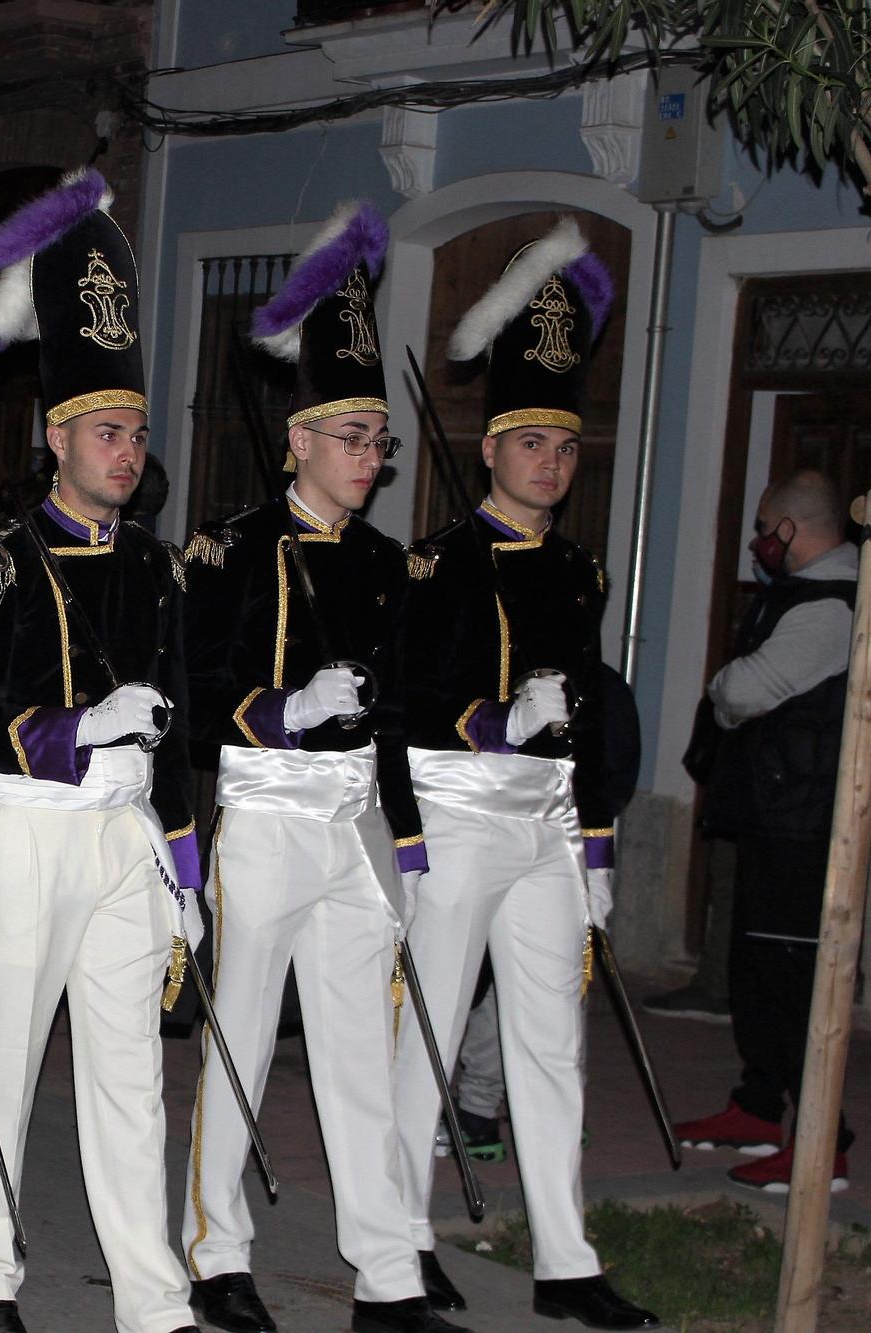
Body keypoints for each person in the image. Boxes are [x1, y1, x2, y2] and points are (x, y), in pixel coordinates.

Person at [180, 202, 461, 1333]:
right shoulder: (230, 547)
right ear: (296, 438)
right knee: (239, 1033)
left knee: (357, 1045)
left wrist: (407, 834)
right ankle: (214, 1249)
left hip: (349, 822)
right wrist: (283, 711)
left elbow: (392, 714)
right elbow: (197, 693)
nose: (370, 457)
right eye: (350, 437)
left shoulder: (393, 563)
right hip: (263, 807)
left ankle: (386, 1271)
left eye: (378, 440)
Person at [0, 167, 203, 1333]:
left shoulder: (153, 563)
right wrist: (66, 729)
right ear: (57, 437)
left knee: (130, 1075)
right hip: (30, 827)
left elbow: (183, 718)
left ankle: (152, 1295)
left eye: (137, 430)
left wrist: (187, 875)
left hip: (127, 836)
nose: (128, 448)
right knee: (4, 1054)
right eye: (107, 429)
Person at [395, 219, 659, 1329]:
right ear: (491, 446)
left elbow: (590, 712)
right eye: (530, 445)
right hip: (456, 813)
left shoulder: (580, 568)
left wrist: (596, 843)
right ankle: (396, 1237)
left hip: (548, 825)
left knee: (550, 1036)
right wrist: (500, 721)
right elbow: (409, 701)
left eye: (565, 447)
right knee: (428, 1030)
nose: (550, 464)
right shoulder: (437, 561)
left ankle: (564, 1257)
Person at [673, 467, 858, 1193]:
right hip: (774, 813)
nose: (758, 542)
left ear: (789, 528)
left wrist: (724, 688)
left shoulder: (832, 605)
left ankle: (823, 1144)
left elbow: (744, 687)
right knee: (757, 975)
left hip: (807, 825)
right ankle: (757, 1107)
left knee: (794, 984)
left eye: (762, 527)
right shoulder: (801, 595)